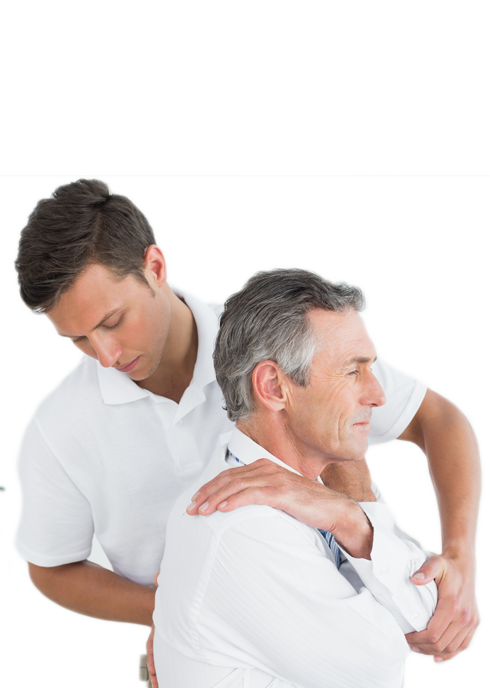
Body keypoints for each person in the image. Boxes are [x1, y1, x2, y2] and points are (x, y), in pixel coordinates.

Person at [11, 179, 480, 686]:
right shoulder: (57, 427)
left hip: (339, 603)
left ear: (155, 267)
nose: (105, 356)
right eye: (77, 339)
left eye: (113, 321)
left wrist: (460, 555)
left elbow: (437, 418)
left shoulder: (278, 336)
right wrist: (179, 610)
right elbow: (50, 567)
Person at [153, 267, 439, 687]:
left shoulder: (333, 484)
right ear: (273, 387)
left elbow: (431, 612)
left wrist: (356, 516)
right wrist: (352, 517)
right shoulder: (241, 526)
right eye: (352, 371)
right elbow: (379, 674)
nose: (378, 395)